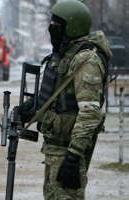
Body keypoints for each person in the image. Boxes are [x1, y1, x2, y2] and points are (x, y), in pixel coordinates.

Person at [21, 0, 112, 199]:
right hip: (55, 149)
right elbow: (56, 97)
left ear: (72, 27)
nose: (52, 28)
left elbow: (90, 112)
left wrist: (73, 155)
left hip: (67, 152)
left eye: (57, 25)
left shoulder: (85, 60)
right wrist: (28, 108)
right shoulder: (65, 54)